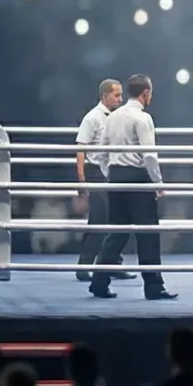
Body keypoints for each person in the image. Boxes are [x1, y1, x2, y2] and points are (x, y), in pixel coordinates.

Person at [84, 74, 174, 299]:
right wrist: (158, 183)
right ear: (146, 92)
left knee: (117, 232)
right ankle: (154, 287)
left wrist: (111, 174)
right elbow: (149, 156)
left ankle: (99, 282)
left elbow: (100, 152)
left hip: (116, 177)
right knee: (148, 234)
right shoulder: (142, 118)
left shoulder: (113, 117)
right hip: (138, 178)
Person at [72, 79, 123, 287]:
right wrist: (81, 179)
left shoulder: (116, 118)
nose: (120, 99)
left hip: (111, 172)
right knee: (100, 221)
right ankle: (85, 266)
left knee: (114, 220)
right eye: (117, 95)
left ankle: (112, 264)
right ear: (105, 96)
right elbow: (80, 149)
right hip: (95, 173)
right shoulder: (92, 117)